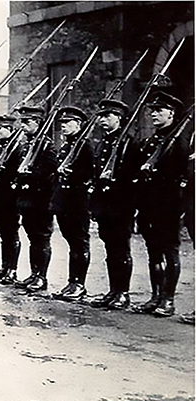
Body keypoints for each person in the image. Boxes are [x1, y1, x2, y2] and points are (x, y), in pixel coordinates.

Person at [136, 90, 190, 317]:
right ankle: (155, 296)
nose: (153, 114)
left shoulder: (179, 143)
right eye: (152, 111)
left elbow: (184, 179)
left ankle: (168, 300)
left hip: (168, 206)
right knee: (153, 252)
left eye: (159, 110)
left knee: (170, 251)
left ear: (172, 113)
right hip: (149, 206)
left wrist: (179, 209)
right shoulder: (149, 142)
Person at [90, 99, 141, 310]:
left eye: (107, 116)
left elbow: (133, 178)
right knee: (110, 249)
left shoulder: (130, 143)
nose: (102, 120)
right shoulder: (103, 142)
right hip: (105, 205)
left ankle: (124, 293)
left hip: (121, 206)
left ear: (118, 119)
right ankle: (113, 291)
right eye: (101, 116)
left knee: (121, 249)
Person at [13, 105, 58, 293]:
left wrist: (31, 173)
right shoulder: (27, 144)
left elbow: (50, 173)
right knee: (32, 238)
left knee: (42, 238)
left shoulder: (47, 145)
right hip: (27, 200)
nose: (23, 126)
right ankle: (34, 273)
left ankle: (42, 277)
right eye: (22, 121)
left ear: (38, 123)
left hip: (41, 200)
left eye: (27, 122)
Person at [51, 106, 95, 301]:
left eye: (67, 124)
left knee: (80, 243)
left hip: (78, 202)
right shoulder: (67, 145)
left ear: (78, 124)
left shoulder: (86, 145)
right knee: (71, 243)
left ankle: (79, 284)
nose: (63, 127)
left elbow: (89, 174)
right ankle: (71, 282)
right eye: (62, 124)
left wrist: (72, 174)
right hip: (64, 201)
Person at [0, 114, 22, 285]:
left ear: (9, 129)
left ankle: (12, 270)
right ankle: (4, 267)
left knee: (11, 234)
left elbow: (16, 172)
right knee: (2, 234)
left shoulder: (18, 147)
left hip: (10, 197)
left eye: (0, 129)